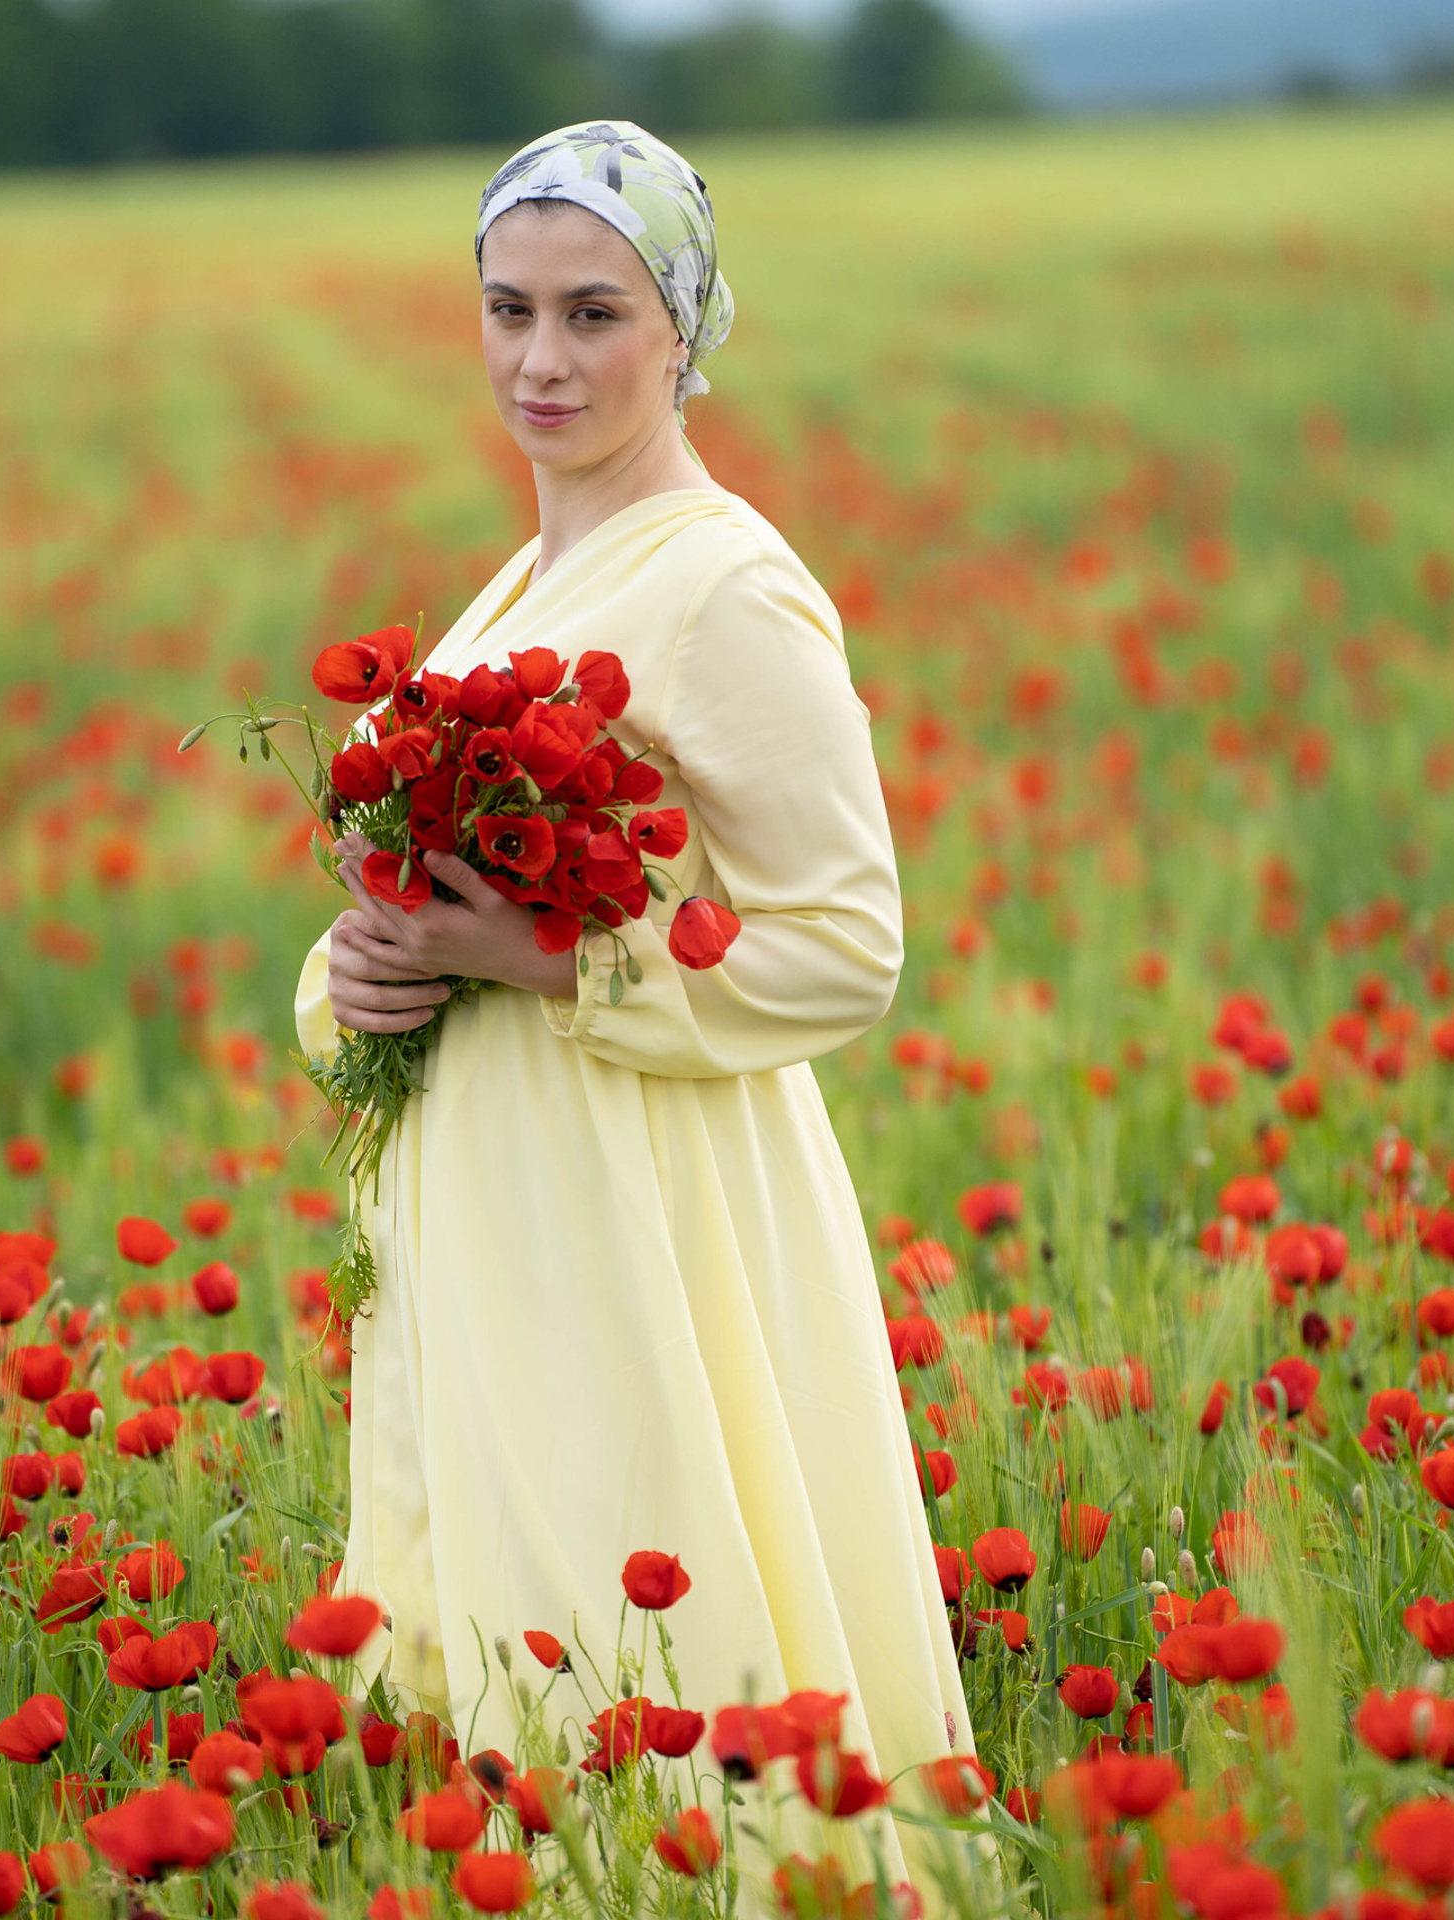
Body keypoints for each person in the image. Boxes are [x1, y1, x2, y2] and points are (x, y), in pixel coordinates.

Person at [294, 120, 976, 1906]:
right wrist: (353, 976)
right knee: (524, 1589)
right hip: (486, 1194)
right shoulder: (518, 587)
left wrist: (551, 965)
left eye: (593, 312)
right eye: (509, 309)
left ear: (685, 321)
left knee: (635, 1579)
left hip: (637, 1204)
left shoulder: (724, 583)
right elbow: (418, 914)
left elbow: (848, 944)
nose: (541, 360)